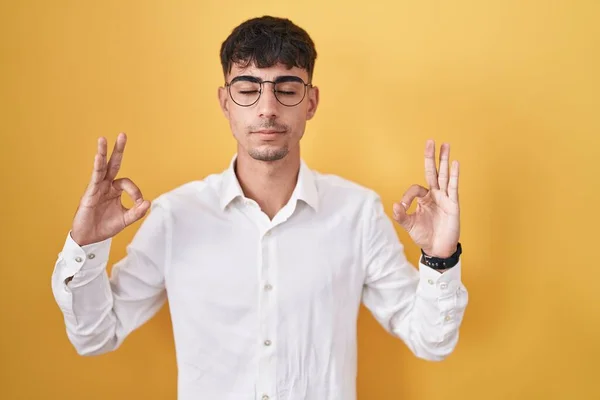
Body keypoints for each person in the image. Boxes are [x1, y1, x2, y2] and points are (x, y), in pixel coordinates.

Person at [51, 15, 468, 400]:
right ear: (225, 102)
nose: (267, 108)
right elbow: (94, 336)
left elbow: (431, 341)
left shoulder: (357, 213)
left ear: (311, 102)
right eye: (248, 89)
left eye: (286, 89)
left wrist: (440, 258)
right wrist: (85, 246)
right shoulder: (175, 216)